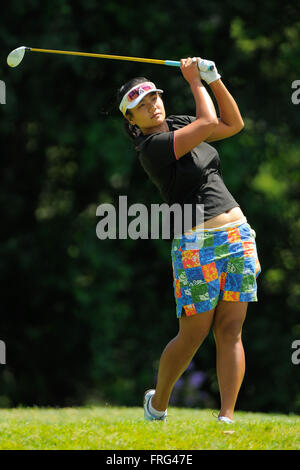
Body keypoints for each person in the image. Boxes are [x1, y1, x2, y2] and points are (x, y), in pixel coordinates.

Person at [117, 57, 261, 423]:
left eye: (153, 99)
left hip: (237, 234)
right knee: (193, 334)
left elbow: (233, 123)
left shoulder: (182, 122)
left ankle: (226, 418)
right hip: (196, 244)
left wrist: (215, 79)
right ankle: (158, 403)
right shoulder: (152, 148)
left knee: (231, 329)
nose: (153, 107)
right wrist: (195, 80)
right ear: (131, 121)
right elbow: (210, 121)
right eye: (141, 107)